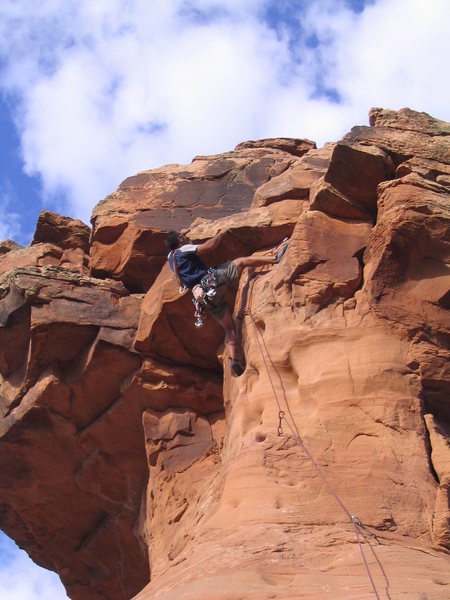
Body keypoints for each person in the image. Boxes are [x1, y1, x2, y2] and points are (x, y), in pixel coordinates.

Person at [165, 229, 288, 377]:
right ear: (180, 241)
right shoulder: (184, 249)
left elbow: (179, 273)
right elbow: (209, 246)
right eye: (183, 237)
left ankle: (234, 360)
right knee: (241, 262)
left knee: (229, 328)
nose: (186, 238)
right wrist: (221, 234)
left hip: (204, 299)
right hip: (211, 282)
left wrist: (182, 234)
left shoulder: (171, 257)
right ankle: (276, 258)